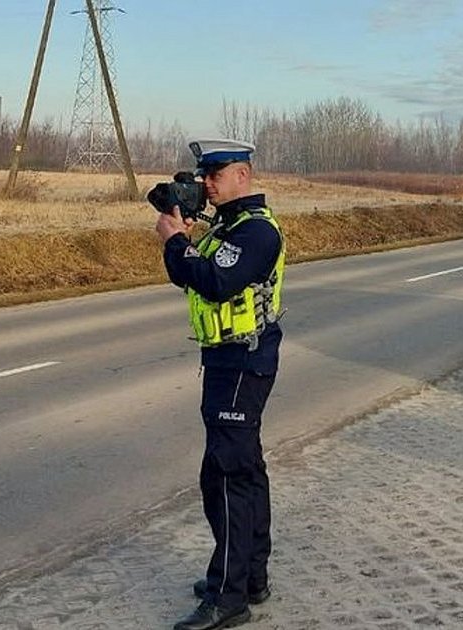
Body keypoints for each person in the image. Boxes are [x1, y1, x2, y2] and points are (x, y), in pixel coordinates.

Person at [156, 139, 286, 630]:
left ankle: (227, 596)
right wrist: (180, 238)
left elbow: (211, 281)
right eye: (203, 173)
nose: (206, 182)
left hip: (241, 365)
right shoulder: (229, 228)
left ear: (243, 175)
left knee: (226, 479)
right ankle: (250, 577)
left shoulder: (255, 233)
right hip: (229, 363)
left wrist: (173, 240)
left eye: (216, 172)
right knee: (243, 471)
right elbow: (189, 274)